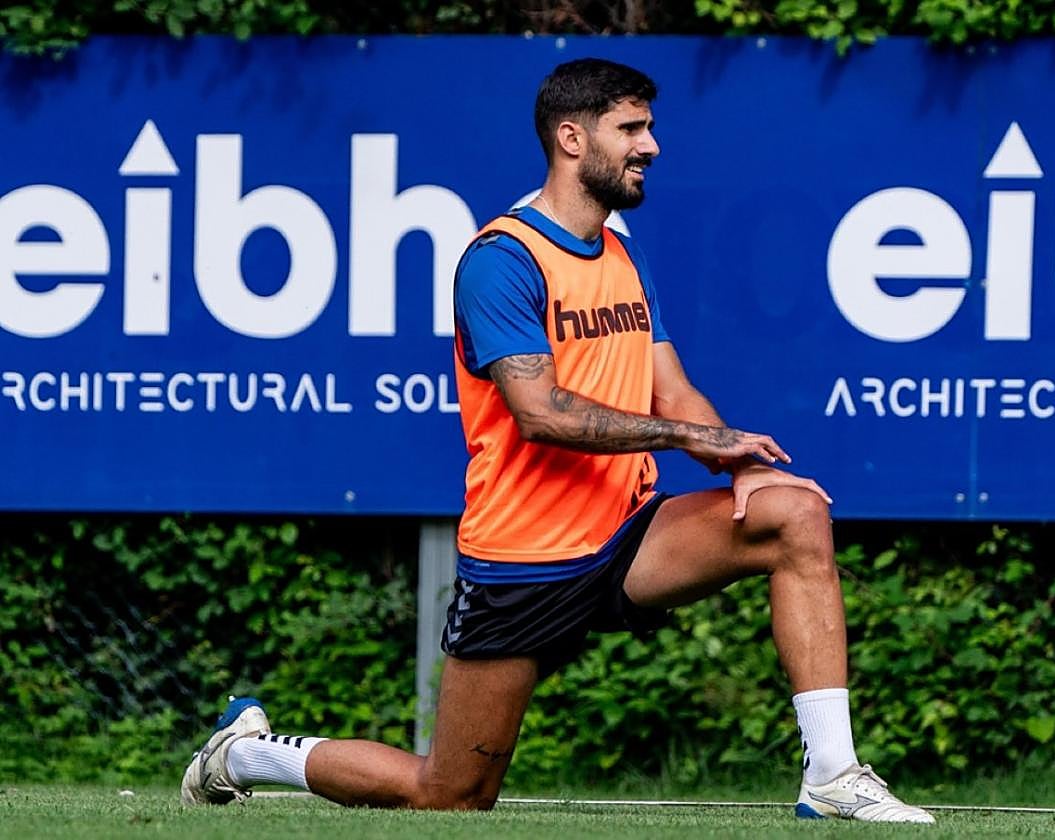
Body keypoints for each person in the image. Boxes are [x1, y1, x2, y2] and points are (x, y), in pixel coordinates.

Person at [181, 57, 933, 824]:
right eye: (632, 129)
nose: (653, 146)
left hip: (628, 536)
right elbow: (543, 413)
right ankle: (243, 753)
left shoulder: (622, 253)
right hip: (523, 561)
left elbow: (670, 389)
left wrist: (731, 456)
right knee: (448, 796)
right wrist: (686, 435)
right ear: (572, 138)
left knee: (791, 513)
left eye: (650, 127)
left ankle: (833, 778)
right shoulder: (501, 260)